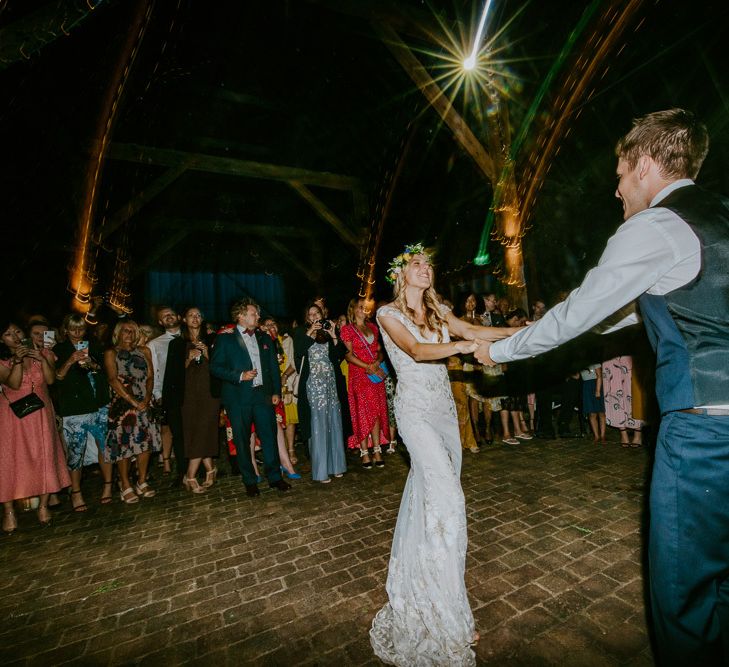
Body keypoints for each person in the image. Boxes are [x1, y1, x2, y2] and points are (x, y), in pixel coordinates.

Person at [476, 109, 729, 666]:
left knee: (684, 590)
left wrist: (496, 350)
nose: (617, 190)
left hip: (707, 433)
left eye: (619, 174)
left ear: (643, 166)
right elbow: (631, 312)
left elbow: (578, 315)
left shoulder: (654, 227)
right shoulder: (717, 220)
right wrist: (514, 330)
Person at [370, 243, 514, 665]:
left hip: (444, 413)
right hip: (414, 413)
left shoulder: (438, 311)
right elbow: (415, 351)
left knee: (431, 499)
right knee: (450, 500)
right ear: (401, 273)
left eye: (428, 264)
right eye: (416, 263)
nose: (424, 268)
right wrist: (461, 348)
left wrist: (521, 333)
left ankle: (434, 588)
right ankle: (443, 611)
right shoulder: (387, 314)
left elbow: (474, 331)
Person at [210, 298, 290, 497]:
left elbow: (272, 367)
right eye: (254, 314)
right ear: (241, 316)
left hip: (262, 396)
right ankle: (250, 480)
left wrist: (275, 393)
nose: (258, 317)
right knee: (242, 440)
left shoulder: (264, 337)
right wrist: (239, 376)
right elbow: (215, 367)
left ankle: (275, 477)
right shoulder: (225, 338)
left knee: (269, 437)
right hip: (238, 398)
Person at [0, 320, 71, 533]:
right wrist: (18, 361)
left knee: (45, 456)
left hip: (41, 412)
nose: (15, 336)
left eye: (17, 331)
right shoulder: (3, 360)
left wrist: (41, 358)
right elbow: (13, 383)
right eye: (8, 334)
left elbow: (50, 380)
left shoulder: (42, 353)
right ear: (2, 340)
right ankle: (9, 512)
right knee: (10, 461)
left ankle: (43, 506)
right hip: (12, 415)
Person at [54, 314, 114, 509]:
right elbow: (57, 377)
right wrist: (71, 360)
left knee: (103, 447)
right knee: (75, 452)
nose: (77, 333)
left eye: (81, 328)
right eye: (73, 328)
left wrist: (93, 365)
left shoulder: (93, 345)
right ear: (65, 330)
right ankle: (76, 493)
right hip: (75, 408)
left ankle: (108, 486)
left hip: (99, 403)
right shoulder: (59, 349)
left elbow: (105, 371)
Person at [163, 307, 221, 493]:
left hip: (209, 394)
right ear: (184, 320)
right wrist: (187, 359)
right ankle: (211, 469)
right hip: (188, 396)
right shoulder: (177, 344)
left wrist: (206, 355)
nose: (195, 318)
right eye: (191, 315)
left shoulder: (213, 340)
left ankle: (190, 475)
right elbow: (173, 374)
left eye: (198, 315)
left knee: (204, 428)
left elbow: (221, 367)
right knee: (194, 431)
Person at [104, 320, 160, 504]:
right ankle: (125, 483)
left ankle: (142, 480)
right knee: (124, 445)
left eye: (132, 331)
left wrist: (145, 399)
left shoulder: (144, 351)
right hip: (123, 405)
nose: (129, 334)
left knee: (145, 442)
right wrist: (132, 401)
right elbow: (113, 380)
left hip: (144, 402)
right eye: (125, 331)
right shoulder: (111, 353)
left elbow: (150, 376)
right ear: (118, 333)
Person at [294, 303, 349, 483]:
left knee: (333, 421)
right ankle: (321, 470)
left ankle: (336, 466)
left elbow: (339, 356)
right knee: (318, 425)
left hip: (330, 384)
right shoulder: (301, 333)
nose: (314, 316)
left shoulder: (327, 331)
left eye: (316, 313)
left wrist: (334, 335)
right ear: (306, 318)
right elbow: (299, 354)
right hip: (313, 386)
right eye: (310, 314)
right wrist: (310, 332)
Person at [340, 298, 390, 469]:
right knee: (362, 412)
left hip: (375, 374)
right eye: (360, 307)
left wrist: (376, 362)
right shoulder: (347, 330)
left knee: (375, 412)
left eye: (365, 307)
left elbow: (380, 351)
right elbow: (348, 355)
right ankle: (364, 452)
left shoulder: (374, 328)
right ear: (353, 310)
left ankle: (377, 449)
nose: (363, 310)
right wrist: (367, 366)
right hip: (359, 375)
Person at [147, 306, 183, 479]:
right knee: (168, 428)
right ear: (160, 322)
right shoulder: (154, 344)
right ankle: (167, 459)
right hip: (168, 392)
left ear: (178, 316)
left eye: (171, 314)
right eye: (164, 317)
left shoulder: (189, 336)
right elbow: (154, 371)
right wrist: (157, 394)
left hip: (190, 391)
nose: (168, 317)